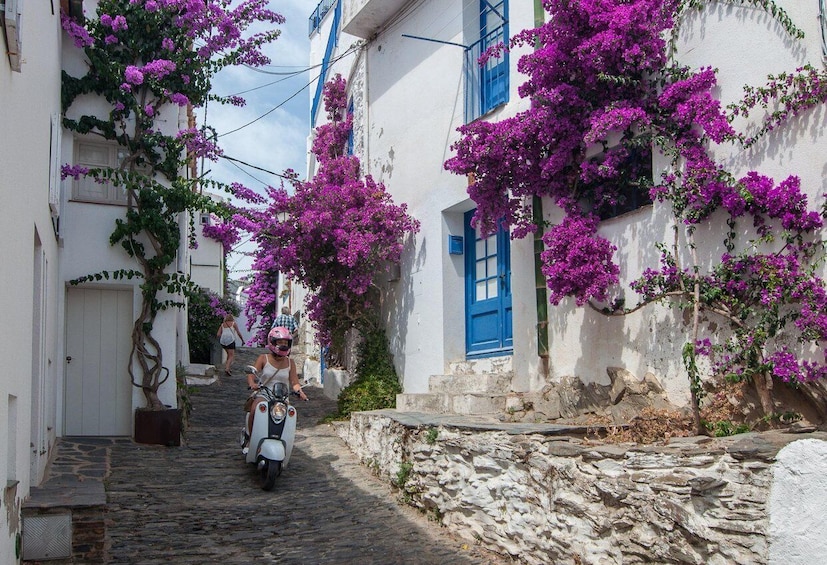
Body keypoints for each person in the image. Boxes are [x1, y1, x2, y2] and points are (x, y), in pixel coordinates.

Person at [244, 327, 307, 446]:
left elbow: (294, 382)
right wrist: (252, 384)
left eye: (285, 342)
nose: (283, 345)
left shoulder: (290, 362)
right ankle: (251, 440)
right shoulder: (263, 358)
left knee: (289, 417)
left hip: (282, 397)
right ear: (272, 342)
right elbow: (252, 373)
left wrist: (300, 392)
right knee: (254, 410)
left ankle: (284, 442)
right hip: (265, 394)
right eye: (280, 342)